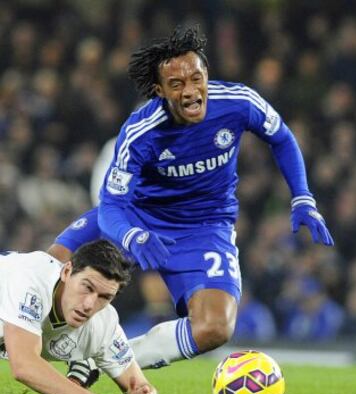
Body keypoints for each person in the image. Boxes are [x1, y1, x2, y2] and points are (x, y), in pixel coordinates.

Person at [48, 26, 334, 375]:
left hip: (205, 228)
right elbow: (110, 206)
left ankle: (101, 361)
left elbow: (283, 138)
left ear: (206, 75)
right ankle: (20, 343)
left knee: (215, 327)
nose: (190, 91)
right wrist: (133, 236)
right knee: (49, 267)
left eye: (195, 78)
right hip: (140, 216)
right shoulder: (141, 130)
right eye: (176, 84)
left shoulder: (239, 103)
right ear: (159, 91)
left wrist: (302, 197)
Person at [0, 240, 158, 394]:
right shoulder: (31, 281)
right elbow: (24, 365)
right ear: (67, 272)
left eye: (105, 297)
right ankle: (81, 362)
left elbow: (136, 383)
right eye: (87, 287)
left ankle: (81, 362)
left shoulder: (103, 322)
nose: (89, 304)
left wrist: (143, 392)